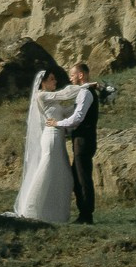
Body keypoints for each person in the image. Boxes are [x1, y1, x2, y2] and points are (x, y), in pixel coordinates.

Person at [9, 69, 74, 223]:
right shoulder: (42, 95)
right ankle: (31, 209)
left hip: (58, 138)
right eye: (51, 79)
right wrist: (85, 88)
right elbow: (65, 94)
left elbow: (64, 112)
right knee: (46, 170)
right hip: (51, 137)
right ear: (43, 82)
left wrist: (81, 104)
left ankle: (53, 213)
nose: (55, 81)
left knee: (61, 173)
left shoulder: (52, 99)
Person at [43, 62, 98, 225]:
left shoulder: (85, 93)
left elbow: (78, 118)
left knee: (82, 177)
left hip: (84, 140)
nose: (70, 78)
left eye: (73, 75)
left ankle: (86, 215)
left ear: (81, 75)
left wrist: (58, 124)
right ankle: (84, 212)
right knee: (77, 175)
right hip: (82, 139)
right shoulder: (85, 91)